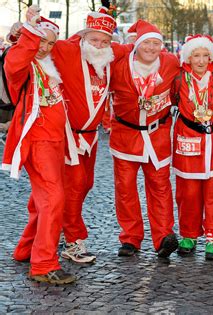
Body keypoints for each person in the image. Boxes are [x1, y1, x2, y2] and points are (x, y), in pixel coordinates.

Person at [2, 8, 78, 284]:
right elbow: (16, 59)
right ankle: (43, 263)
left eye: (49, 43)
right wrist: (28, 30)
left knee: (41, 202)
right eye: (40, 41)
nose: (44, 48)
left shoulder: (48, 66)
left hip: (56, 142)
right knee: (53, 199)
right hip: (38, 141)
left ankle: (25, 249)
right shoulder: (20, 63)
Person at [49, 7, 125, 264]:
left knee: (86, 185)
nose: (100, 44)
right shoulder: (70, 51)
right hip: (69, 135)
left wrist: (141, 33)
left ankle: (59, 227)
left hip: (90, 138)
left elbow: (138, 49)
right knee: (74, 186)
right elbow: (44, 40)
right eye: (94, 39)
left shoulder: (106, 59)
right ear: (82, 38)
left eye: (105, 41)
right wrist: (22, 30)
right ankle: (74, 240)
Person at [109, 20, 180, 258]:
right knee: (126, 189)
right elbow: (98, 52)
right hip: (125, 135)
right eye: (146, 43)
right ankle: (130, 238)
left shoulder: (170, 63)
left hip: (157, 135)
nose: (151, 48)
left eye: (156, 43)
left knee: (160, 187)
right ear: (136, 45)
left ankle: (163, 237)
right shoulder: (119, 65)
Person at [173, 34, 213, 259]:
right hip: (187, 138)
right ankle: (188, 235)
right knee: (188, 193)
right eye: (195, 55)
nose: (200, 61)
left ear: (211, 56)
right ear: (187, 57)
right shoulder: (179, 76)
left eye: (205, 55)